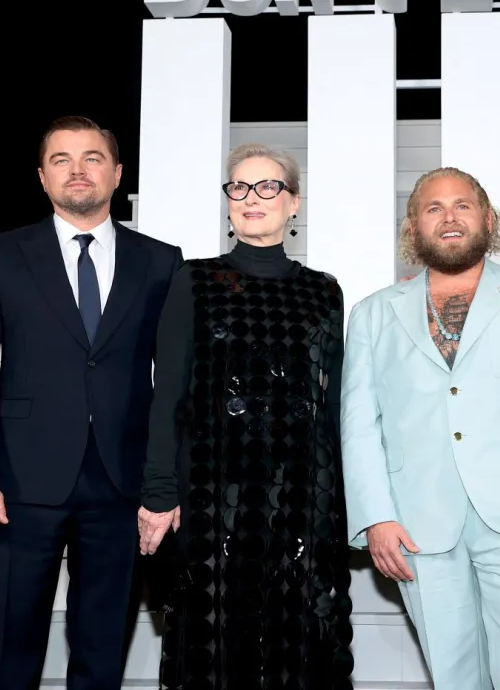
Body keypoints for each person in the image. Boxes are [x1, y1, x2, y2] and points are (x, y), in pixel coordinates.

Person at [0, 115, 183, 690]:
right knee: (9, 646)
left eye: (92, 158)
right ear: (42, 177)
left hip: (121, 482)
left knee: (103, 649)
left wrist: (164, 482)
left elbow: (174, 381)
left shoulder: (161, 260)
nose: (78, 170)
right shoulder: (1, 253)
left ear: (117, 173)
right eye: (62, 160)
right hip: (17, 482)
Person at [341, 167, 500, 690]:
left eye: (462, 204)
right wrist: (376, 517)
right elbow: (360, 424)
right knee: (454, 677)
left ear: (488, 219)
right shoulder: (372, 314)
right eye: (433, 208)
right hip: (418, 526)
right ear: (413, 227)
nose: (450, 217)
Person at [137, 143, 354, 689]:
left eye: (267, 186)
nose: (251, 197)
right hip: (214, 496)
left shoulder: (324, 292)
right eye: (239, 187)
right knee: (214, 643)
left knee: (295, 641)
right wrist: (159, 492)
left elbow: (333, 405)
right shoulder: (194, 280)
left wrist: (343, 504)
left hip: (301, 497)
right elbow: (169, 394)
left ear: (293, 203)